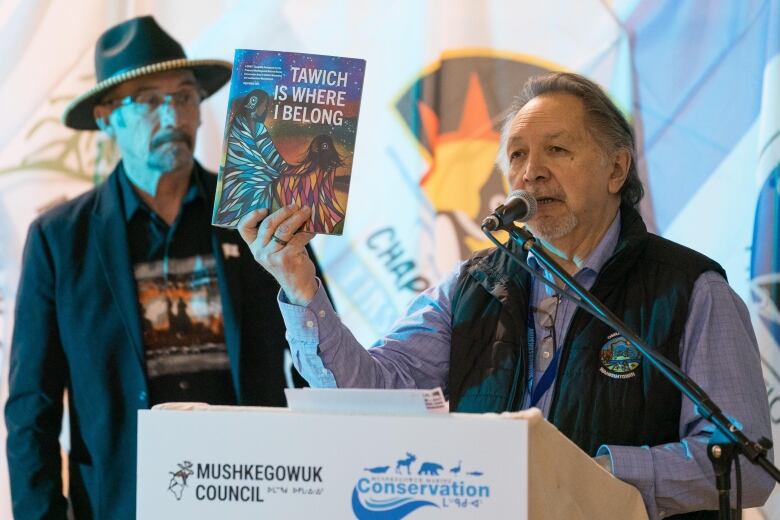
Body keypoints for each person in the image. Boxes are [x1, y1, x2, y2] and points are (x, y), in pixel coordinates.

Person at [238, 72, 775, 518]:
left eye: (557, 150)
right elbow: (374, 395)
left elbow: (744, 467)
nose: (530, 171)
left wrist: (594, 473)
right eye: (516, 155)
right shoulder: (472, 287)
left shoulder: (691, 290)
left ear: (617, 169)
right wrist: (300, 287)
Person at [5, 16, 322, 520]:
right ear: (108, 118)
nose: (173, 116)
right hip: (122, 501)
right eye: (149, 101)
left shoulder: (258, 212)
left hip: (253, 493)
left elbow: (318, 357)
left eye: (185, 96)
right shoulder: (61, 240)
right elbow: (31, 410)